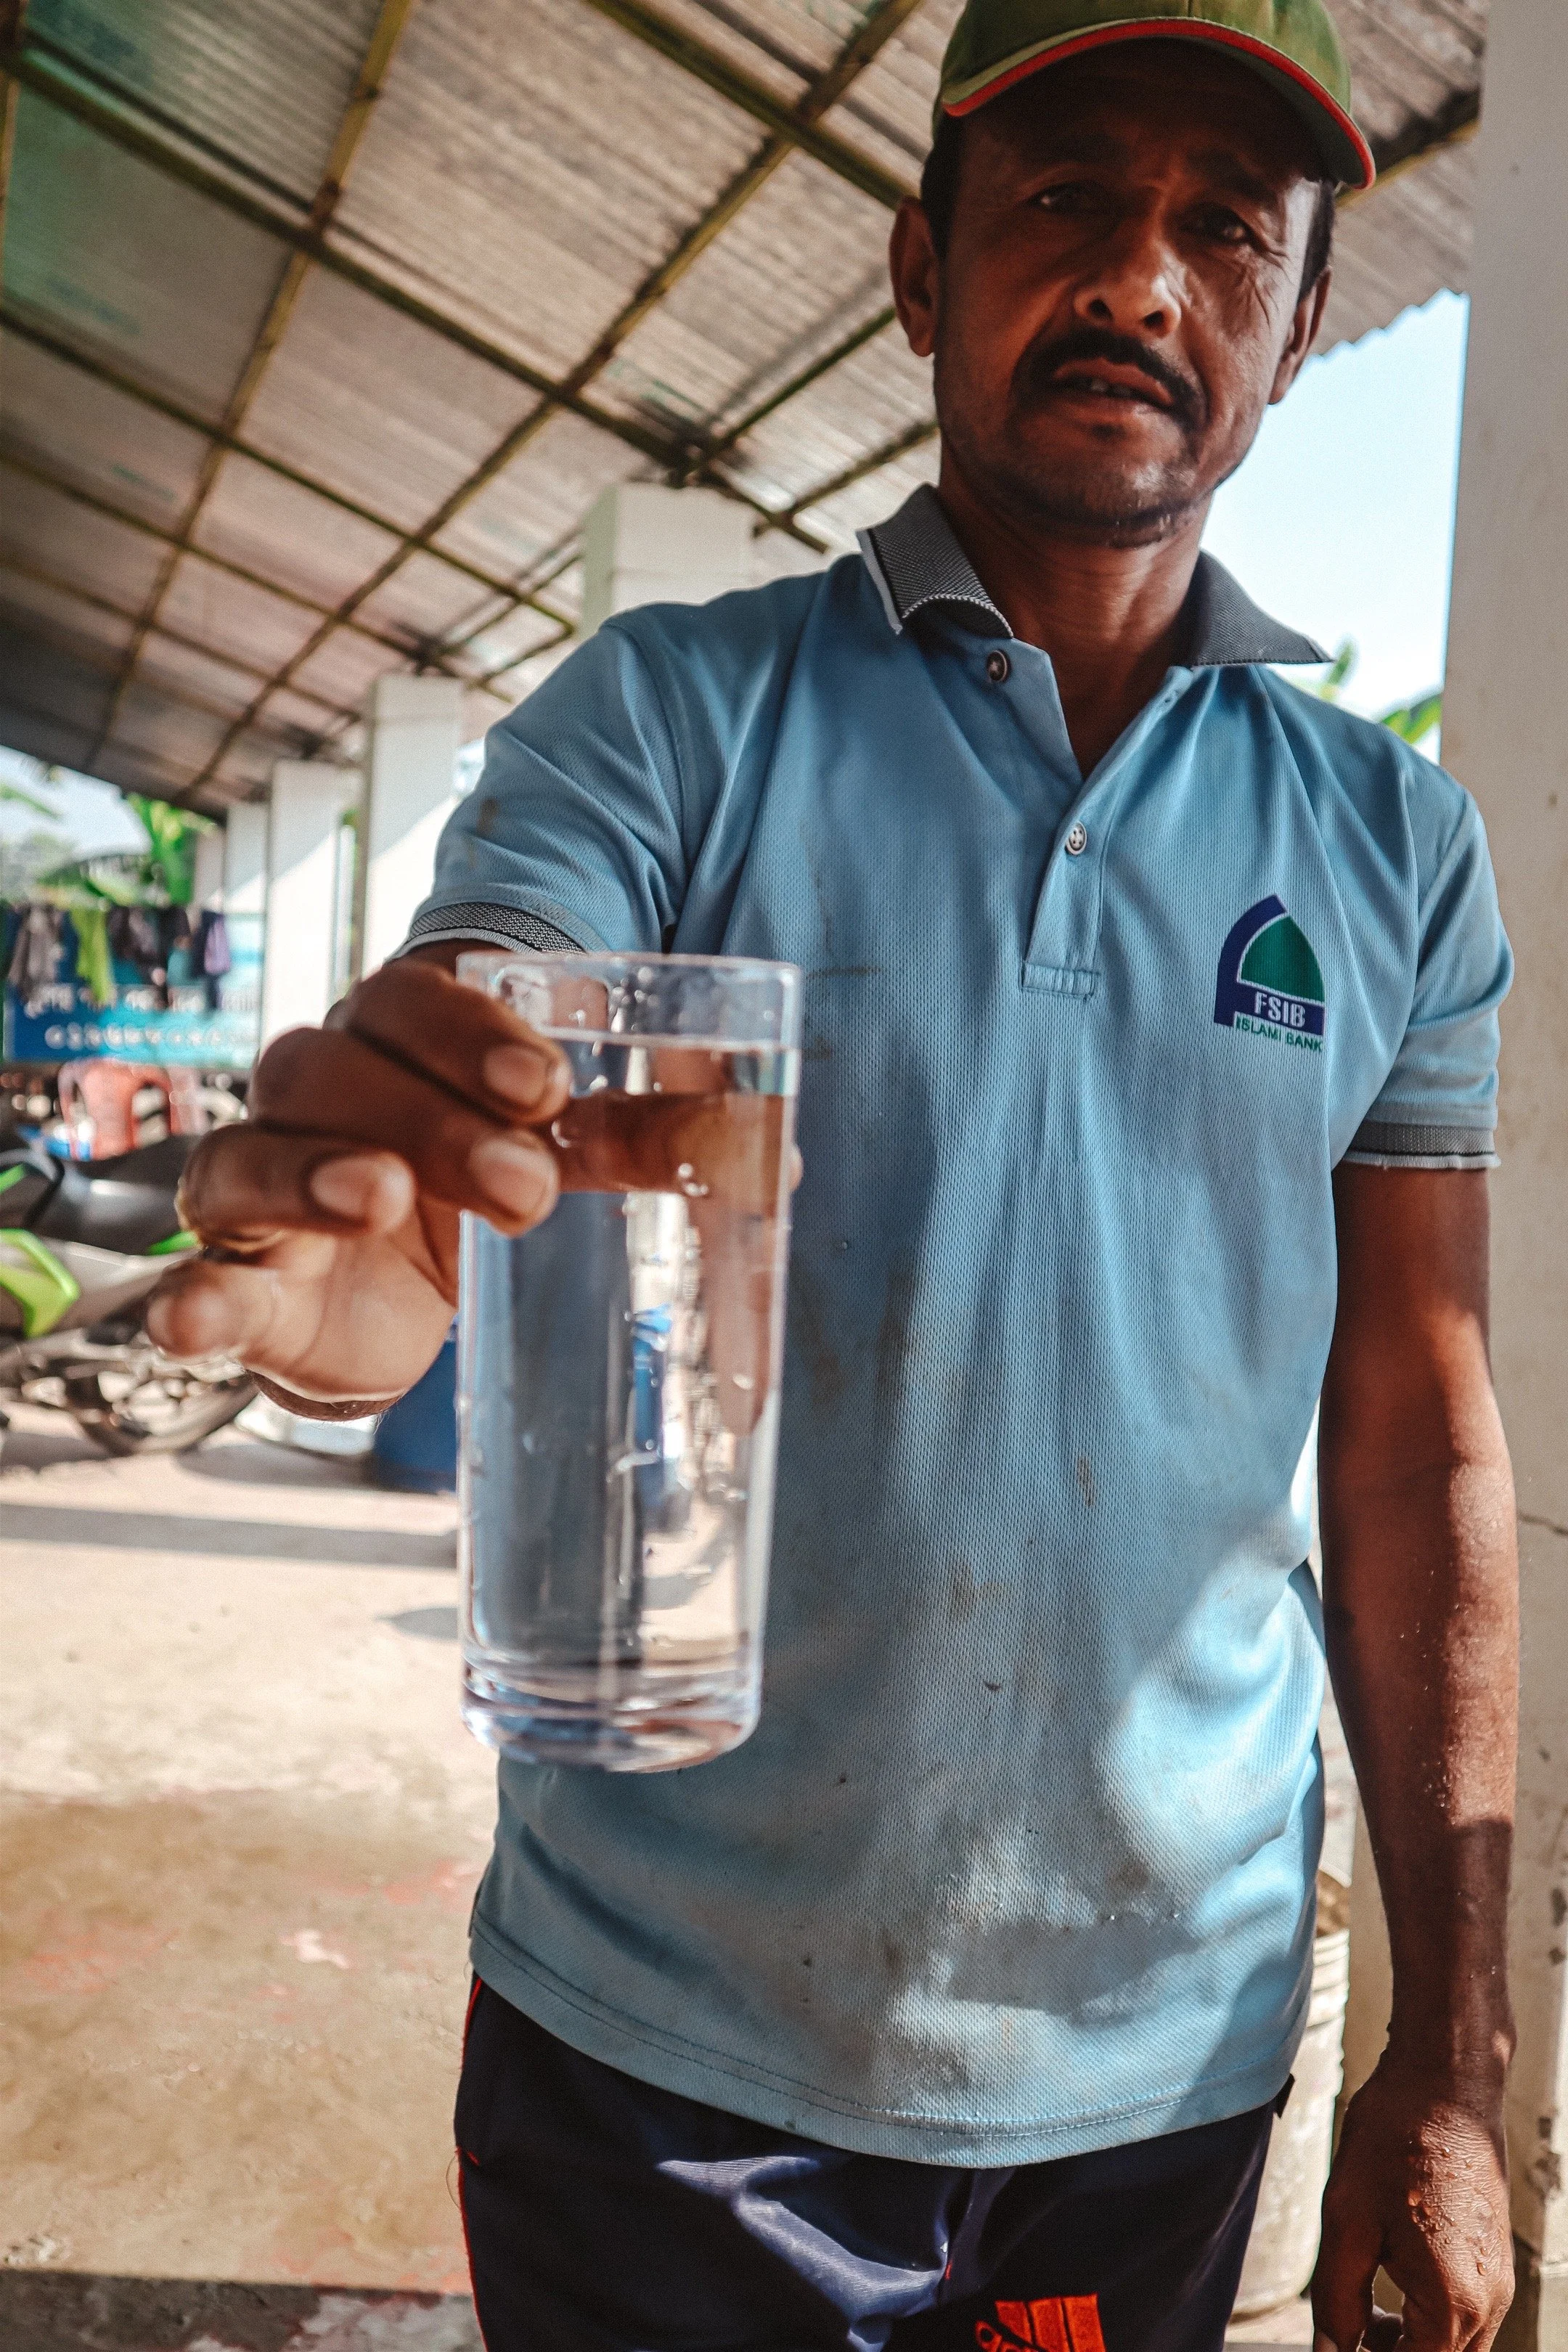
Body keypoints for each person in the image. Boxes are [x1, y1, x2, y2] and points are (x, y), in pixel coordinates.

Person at [150, 1, 1519, 2344]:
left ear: (1298, 329)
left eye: (1228, 233)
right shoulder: (669, 715)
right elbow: (480, 1083)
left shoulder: (1387, 842)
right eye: (1070, 198)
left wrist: (1462, 2046)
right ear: (920, 271)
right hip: (661, 2047)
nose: (1143, 281)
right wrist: (350, 1266)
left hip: (1156, 2069)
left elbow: (1415, 1428)